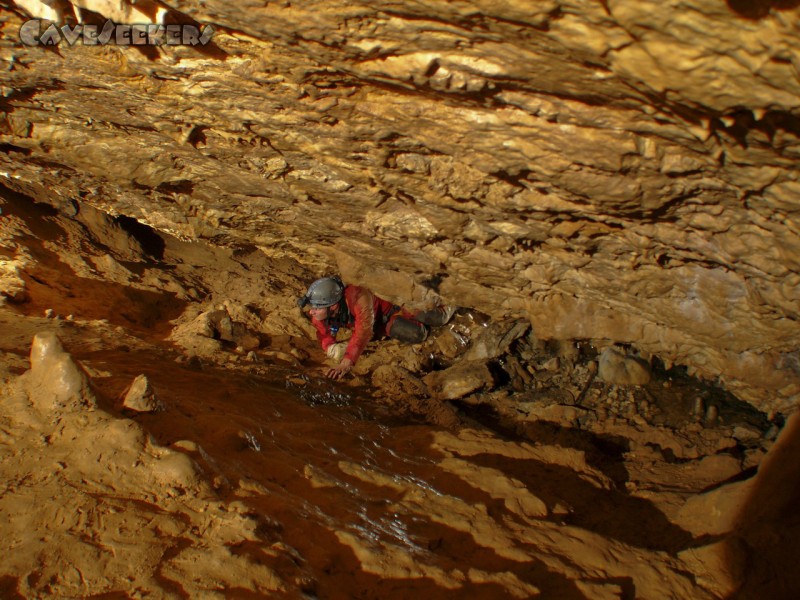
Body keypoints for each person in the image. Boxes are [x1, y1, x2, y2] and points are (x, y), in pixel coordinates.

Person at [297, 276, 455, 380]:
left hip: (399, 303)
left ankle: (453, 301)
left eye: (317, 308)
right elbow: (324, 334)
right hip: (383, 320)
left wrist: (346, 363)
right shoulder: (320, 314)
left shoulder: (358, 296)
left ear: (333, 306)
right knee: (416, 334)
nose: (312, 311)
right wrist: (330, 347)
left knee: (435, 317)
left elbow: (363, 330)